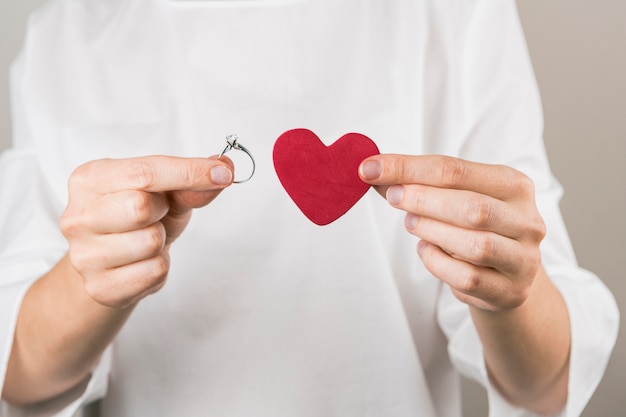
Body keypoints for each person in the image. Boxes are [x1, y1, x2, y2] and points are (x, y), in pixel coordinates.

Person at [0, 0, 619, 416]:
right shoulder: (72, 25)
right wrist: (89, 285)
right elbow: (21, 376)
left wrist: (507, 284)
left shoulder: (455, 15)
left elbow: (547, 385)